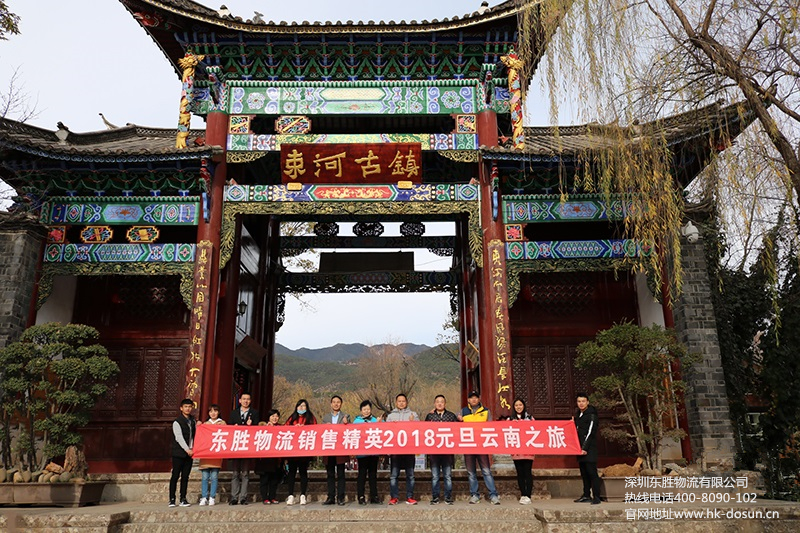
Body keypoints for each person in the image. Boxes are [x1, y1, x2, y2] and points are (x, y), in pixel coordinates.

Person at [460, 390, 500, 505]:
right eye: (471, 398)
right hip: (468, 446)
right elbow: (456, 427)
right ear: (468, 400)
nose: (473, 400)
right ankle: (474, 495)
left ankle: (493, 495)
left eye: (475, 397)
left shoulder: (486, 411)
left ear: (479, 399)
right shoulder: (463, 412)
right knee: (471, 472)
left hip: (482, 446)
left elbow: (491, 427)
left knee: (486, 471)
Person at [424, 394, 458, 505]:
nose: (439, 403)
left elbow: (458, 431)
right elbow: (423, 431)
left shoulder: (451, 416)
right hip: (434, 452)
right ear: (434, 404)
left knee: (447, 475)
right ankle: (435, 497)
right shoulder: (430, 417)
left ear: (445, 403)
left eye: (442, 402)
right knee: (435, 476)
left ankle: (448, 497)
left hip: (447, 452)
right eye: (437, 401)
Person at [385, 393, 418, 505]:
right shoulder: (390, 416)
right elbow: (385, 432)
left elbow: (419, 429)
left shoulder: (413, 414)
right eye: (399, 401)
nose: (401, 403)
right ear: (396, 402)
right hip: (395, 451)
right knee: (394, 475)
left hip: (409, 450)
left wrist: (413, 422)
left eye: (403, 401)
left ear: (406, 402)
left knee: (410, 475)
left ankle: (410, 497)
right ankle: (394, 497)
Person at [228, 392, 259, 505]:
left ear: (250, 401)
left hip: (247, 446)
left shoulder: (254, 413)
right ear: (240, 400)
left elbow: (257, 429)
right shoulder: (234, 413)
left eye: (248, 399)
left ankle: (243, 497)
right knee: (235, 473)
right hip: (236, 446)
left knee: (245, 473)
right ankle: (234, 497)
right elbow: (228, 428)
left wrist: (252, 426)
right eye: (244, 399)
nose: (246, 401)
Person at [284, 399, 316, 505]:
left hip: (304, 451)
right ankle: (290, 495)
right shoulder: (292, 418)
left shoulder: (311, 418)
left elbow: (315, 430)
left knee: (303, 473)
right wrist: (294, 428)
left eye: (303, 406)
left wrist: (305, 428)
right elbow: (285, 429)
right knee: (291, 473)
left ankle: (303, 495)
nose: (301, 408)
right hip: (293, 451)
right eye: (299, 406)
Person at [322, 395, 350, 505]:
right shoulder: (326, 418)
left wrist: (346, 424)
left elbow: (350, 431)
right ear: (331, 404)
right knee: (330, 474)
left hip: (340, 449)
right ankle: (331, 497)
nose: (336, 404)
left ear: (341, 404)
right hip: (329, 449)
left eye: (338, 402)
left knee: (341, 474)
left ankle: (341, 497)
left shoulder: (345, 416)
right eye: (334, 402)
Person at [574, 392, 601, 505]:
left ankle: (596, 496)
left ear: (587, 402)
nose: (581, 403)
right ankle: (586, 495)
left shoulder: (591, 415)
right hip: (579, 449)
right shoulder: (578, 415)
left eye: (583, 401)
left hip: (589, 449)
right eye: (579, 401)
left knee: (592, 473)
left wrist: (584, 448)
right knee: (584, 473)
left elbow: (590, 433)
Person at [169, 398, 196, 508]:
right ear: (181, 408)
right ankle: (172, 499)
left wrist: (192, 449)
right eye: (186, 407)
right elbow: (179, 437)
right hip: (179, 453)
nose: (188, 409)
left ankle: (183, 498)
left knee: (185, 476)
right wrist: (187, 449)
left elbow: (195, 436)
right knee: (175, 476)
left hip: (190, 453)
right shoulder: (177, 422)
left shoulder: (193, 421)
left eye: (189, 407)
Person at [353, 399, 380, 505]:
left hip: (374, 452)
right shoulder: (356, 421)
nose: (366, 411)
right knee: (362, 475)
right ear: (361, 410)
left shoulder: (375, 420)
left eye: (368, 409)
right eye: (364, 409)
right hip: (362, 453)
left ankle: (374, 496)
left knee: (373, 475)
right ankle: (361, 496)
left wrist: (379, 424)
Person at [508, 398, 535, 505]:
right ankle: (523, 494)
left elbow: (536, 430)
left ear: (524, 406)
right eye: (516, 405)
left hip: (528, 450)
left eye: (520, 405)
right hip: (517, 451)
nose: (518, 407)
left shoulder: (530, 418)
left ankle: (528, 495)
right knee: (520, 473)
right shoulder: (510, 419)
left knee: (527, 472)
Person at [198, 404, 225, 506]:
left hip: (216, 453)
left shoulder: (222, 423)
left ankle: (212, 497)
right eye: (211, 411)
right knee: (205, 477)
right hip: (206, 453)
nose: (213, 413)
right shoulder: (204, 424)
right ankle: (204, 496)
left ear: (218, 412)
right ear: (208, 413)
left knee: (214, 476)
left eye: (215, 411)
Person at [255, 409, 282, 504]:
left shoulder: (281, 428)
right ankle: (265, 498)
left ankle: (272, 497)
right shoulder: (262, 426)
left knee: (274, 480)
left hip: (276, 459)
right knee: (264, 479)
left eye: (276, 416)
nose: (275, 418)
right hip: (265, 459)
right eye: (272, 416)